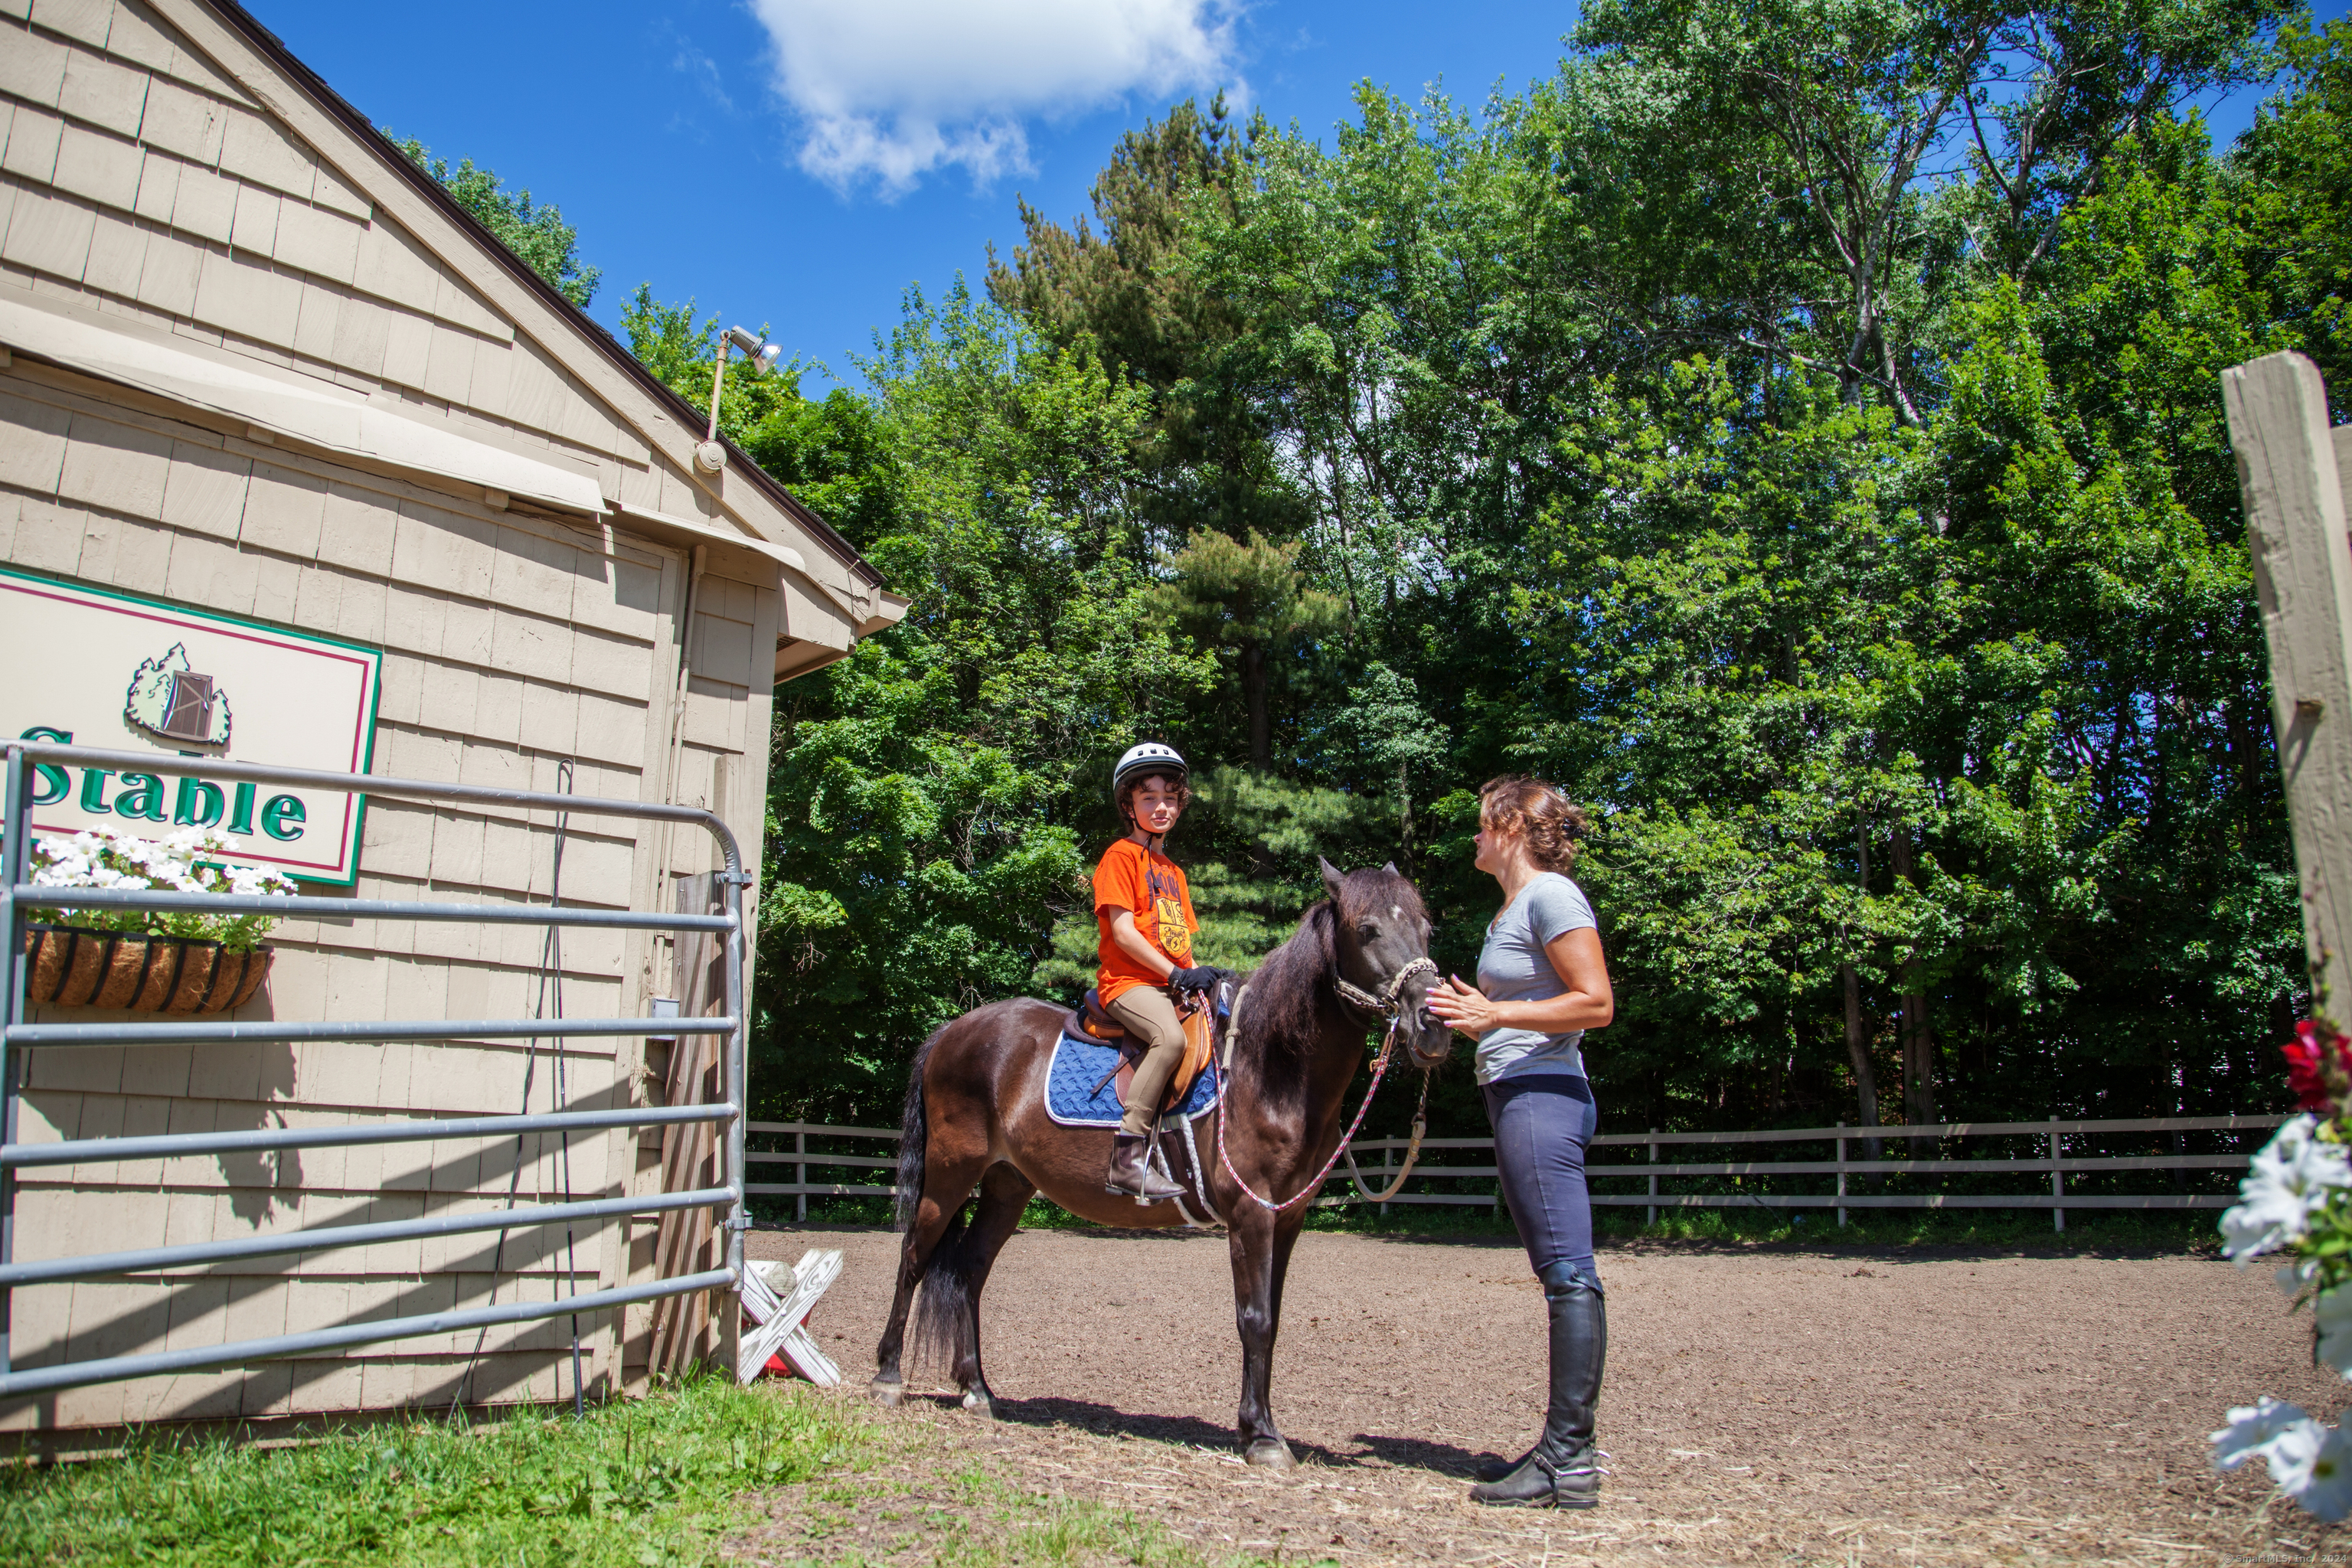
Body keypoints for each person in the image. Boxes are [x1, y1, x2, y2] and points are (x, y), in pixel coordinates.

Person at [1426, 775, 1615, 1509]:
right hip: (1521, 1094)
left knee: (1568, 1271)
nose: (1474, 837)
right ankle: (1569, 1454)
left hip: (1543, 1097)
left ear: (1508, 826)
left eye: (1481, 824)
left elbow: (1595, 1003)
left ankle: (1567, 1458)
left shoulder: (1551, 897)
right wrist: (1470, 1016)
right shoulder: (1511, 910)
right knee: (1558, 1268)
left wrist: (1493, 1014)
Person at [1093, 743, 1221, 1200]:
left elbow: (1180, 942)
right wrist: (1175, 976)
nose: (1161, 806)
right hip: (1129, 984)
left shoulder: (1175, 873)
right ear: (1129, 805)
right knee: (1170, 1039)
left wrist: (1201, 973)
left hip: (1170, 980)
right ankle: (1126, 1158)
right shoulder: (1120, 857)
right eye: (1148, 797)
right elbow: (1125, 934)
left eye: (1170, 795)